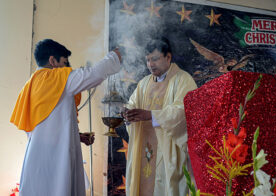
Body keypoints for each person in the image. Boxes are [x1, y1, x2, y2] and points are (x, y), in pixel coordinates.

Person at [10, 39, 122, 196]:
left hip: (37, 159)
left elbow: (48, 126)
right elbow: (93, 74)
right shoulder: (55, 79)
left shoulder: (30, 85)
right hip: (56, 161)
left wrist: (77, 136)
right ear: (52, 60)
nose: (67, 68)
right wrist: (115, 56)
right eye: (64, 62)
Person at [123, 37, 197, 196]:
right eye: (148, 60)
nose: (150, 64)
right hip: (144, 148)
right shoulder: (143, 83)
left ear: (168, 57)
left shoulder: (183, 80)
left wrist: (151, 115)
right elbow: (133, 103)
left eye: (155, 59)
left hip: (168, 150)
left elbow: (184, 112)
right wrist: (127, 113)